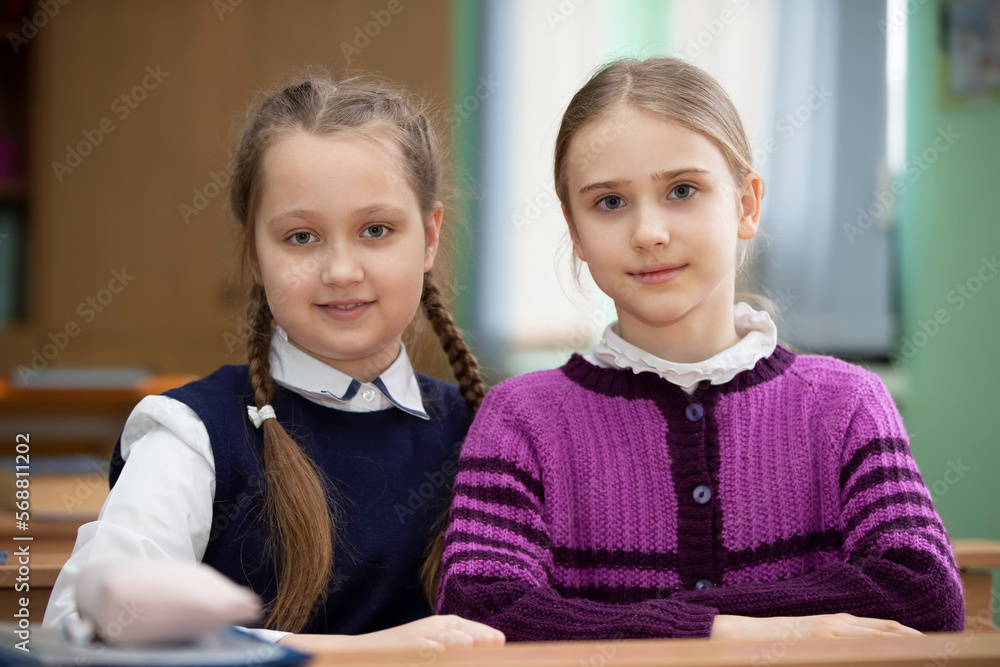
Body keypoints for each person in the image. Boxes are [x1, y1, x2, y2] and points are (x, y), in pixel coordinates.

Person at [434, 57, 964, 641]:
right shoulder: (521, 418)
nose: (649, 232)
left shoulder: (846, 402)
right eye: (609, 202)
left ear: (746, 204)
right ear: (576, 231)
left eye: (682, 190)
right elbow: (480, 614)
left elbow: (922, 592)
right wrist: (724, 631)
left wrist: (665, 625)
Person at [43, 73, 505, 652]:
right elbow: (75, 635)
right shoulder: (192, 434)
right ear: (254, 251)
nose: (341, 270)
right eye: (301, 237)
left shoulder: (490, 432)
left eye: (376, 230)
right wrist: (360, 654)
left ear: (430, 236)